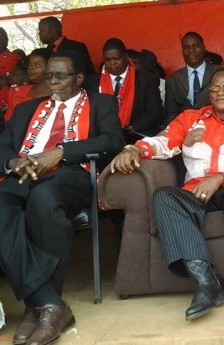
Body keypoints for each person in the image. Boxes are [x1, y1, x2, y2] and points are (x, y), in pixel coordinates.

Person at [109, 68, 224, 319]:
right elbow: (163, 141)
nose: (220, 92)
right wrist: (134, 149)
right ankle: (207, 280)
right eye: (215, 88)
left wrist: (220, 178)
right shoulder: (190, 119)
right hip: (197, 192)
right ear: (209, 93)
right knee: (164, 197)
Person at [0, 50, 123, 345]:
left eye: (60, 76)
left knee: (44, 200)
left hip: (70, 175)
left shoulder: (100, 103)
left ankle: (37, 306)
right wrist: (15, 162)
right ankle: (49, 304)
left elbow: (112, 140)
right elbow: (3, 146)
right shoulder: (26, 110)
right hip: (23, 176)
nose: (52, 82)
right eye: (49, 76)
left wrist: (62, 151)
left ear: (79, 78)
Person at [85, 38, 163, 141]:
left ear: (126, 57)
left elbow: (153, 111)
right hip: (102, 137)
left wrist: (130, 129)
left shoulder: (146, 79)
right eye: (108, 60)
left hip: (135, 134)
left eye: (116, 59)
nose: (112, 63)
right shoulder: (92, 82)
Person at [164, 32, 221, 124]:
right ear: (182, 51)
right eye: (186, 47)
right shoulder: (173, 80)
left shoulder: (220, 73)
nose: (191, 50)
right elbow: (171, 113)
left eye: (196, 46)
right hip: (185, 129)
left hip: (216, 125)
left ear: (204, 48)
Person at [5, 48, 53, 121]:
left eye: (37, 65)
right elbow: (8, 122)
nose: (31, 68)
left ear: (50, 68)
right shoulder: (16, 92)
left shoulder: (57, 96)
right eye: (30, 64)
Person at [0, 27, 23, 110]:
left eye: (3, 37)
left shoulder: (14, 58)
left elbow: (6, 80)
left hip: (7, 102)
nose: (1, 40)